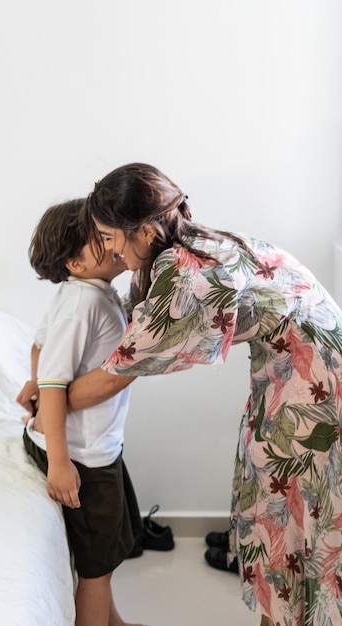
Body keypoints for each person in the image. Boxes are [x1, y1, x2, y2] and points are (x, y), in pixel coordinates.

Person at [65, 163, 342, 626]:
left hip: (316, 380)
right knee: (271, 490)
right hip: (291, 367)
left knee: (292, 506)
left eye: (111, 236)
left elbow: (120, 369)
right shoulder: (185, 244)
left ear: (146, 230)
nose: (109, 248)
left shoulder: (189, 272)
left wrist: (49, 399)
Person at [16, 198, 145, 626]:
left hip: (96, 448)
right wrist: (59, 461)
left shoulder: (86, 293)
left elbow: (39, 345)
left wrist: (35, 379)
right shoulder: (83, 304)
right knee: (95, 571)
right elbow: (55, 383)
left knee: (103, 561)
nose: (113, 242)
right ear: (75, 261)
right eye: (101, 238)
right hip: (82, 457)